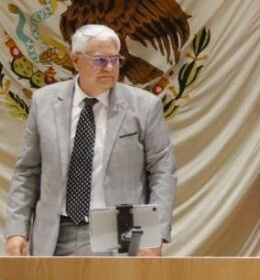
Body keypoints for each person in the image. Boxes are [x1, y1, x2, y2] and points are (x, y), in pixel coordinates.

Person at [5, 24, 177, 257]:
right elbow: (27, 171)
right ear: (76, 60)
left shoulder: (145, 107)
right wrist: (17, 229)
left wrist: (153, 233)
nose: (109, 68)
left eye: (115, 60)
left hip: (119, 228)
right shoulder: (44, 102)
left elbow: (162, 172)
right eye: (99, 60)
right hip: (55, 231)